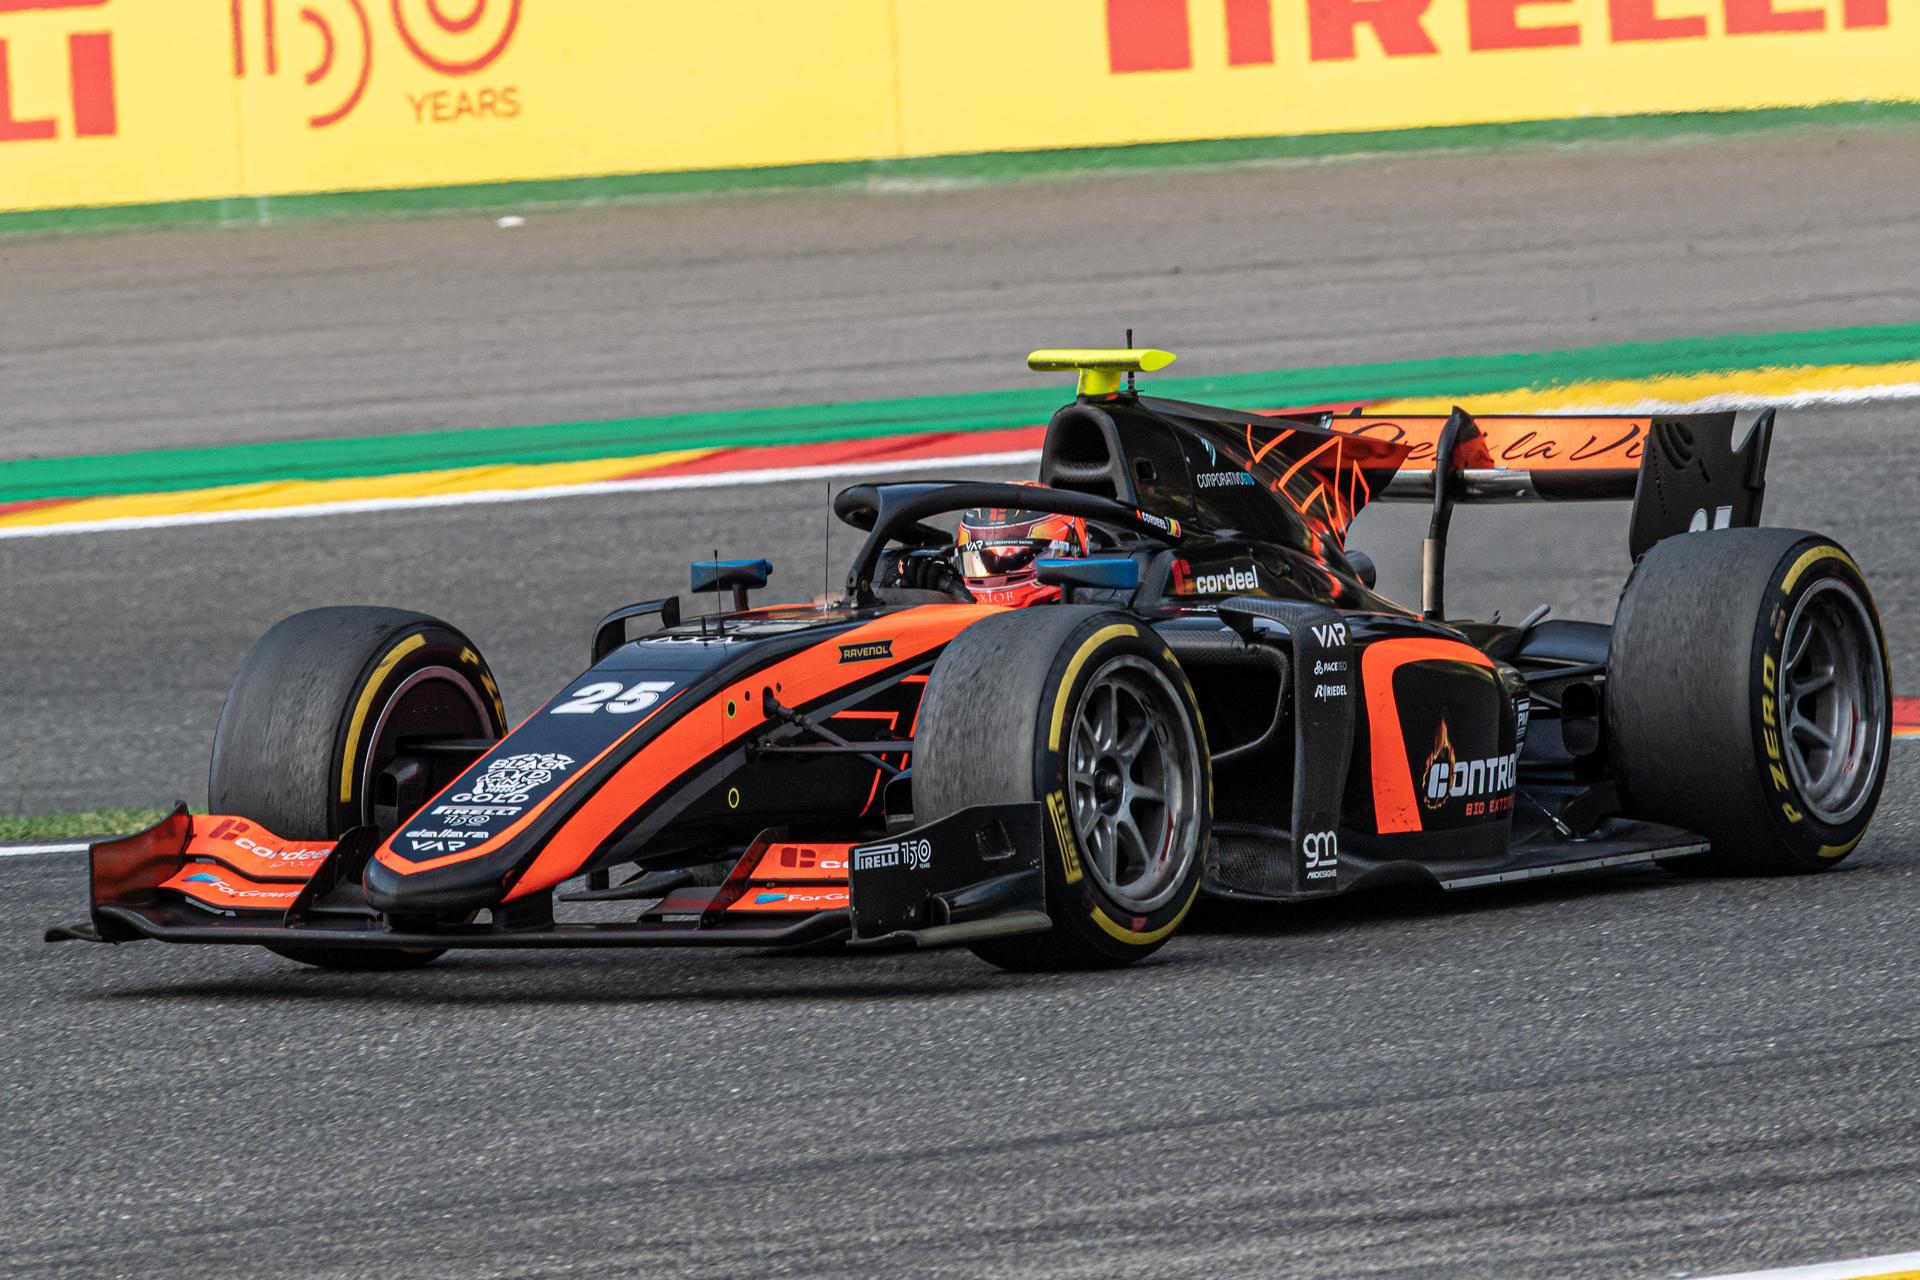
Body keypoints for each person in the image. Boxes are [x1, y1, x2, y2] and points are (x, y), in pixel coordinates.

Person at [879, 489, 1090, 608]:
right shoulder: (958, 596)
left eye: (1020, 558)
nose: (998, 576)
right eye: (981, 561)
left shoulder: (1099, 608)